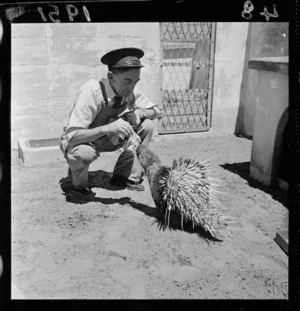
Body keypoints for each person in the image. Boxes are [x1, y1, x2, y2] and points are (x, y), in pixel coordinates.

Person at [60, 47, 162, 200]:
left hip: (109, 138)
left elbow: (157, 112)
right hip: (83, 141)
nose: (131, 87)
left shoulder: (130, 90)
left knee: (147, 125)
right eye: (127, 81)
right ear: (111, 77)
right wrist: (108, 128)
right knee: (83, 154)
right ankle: (78, 187)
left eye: (135, 81)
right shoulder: (91, 91)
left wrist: (140, 113)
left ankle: (124, 177)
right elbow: (72, 136)